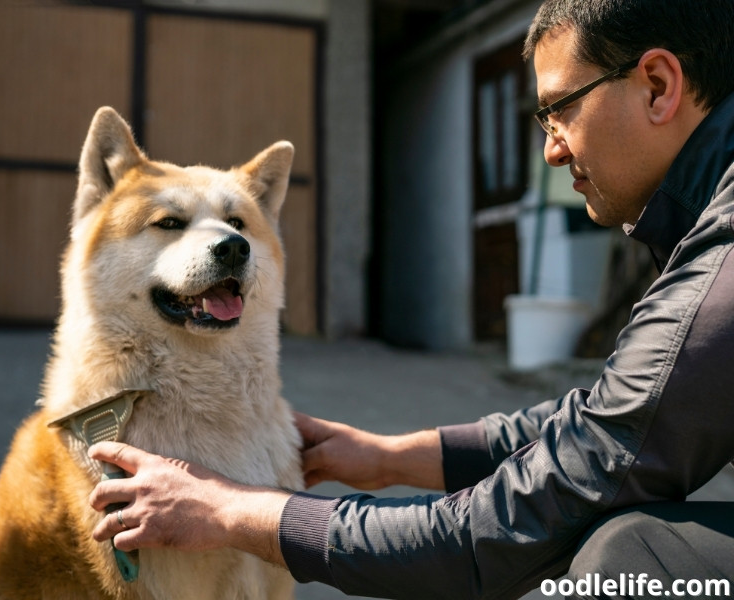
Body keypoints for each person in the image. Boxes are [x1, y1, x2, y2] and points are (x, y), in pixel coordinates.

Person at [89, 0, 734, 597]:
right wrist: (388, 457)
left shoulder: (721, 270)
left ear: (657, 85)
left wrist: (232, 509)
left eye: (560, 108)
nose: (550, 146)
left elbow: (504, 529)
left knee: (631, 561)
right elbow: (609, 427)